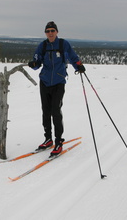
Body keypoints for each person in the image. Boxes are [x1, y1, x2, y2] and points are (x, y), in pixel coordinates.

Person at [28, 21, 86, 157]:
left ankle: (58, 141)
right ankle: (48, 139)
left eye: (52, 30)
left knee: (56, 111)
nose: (50, 33)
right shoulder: (43, 46)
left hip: (59, 82)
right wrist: (34, 64)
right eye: (48, 31)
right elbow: (37, 62)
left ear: (57, 32)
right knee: (46, 112)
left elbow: (72, 57)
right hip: (45, 81)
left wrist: (79, 66)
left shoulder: (63, 44)